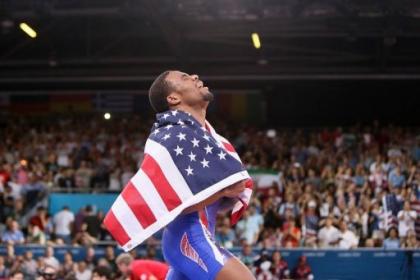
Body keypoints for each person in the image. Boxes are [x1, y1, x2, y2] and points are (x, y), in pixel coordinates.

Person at [148, 71, 255, 280]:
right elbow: (168, 207)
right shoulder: (172, 138)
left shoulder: (208, 138)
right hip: (188, 240)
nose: (195, 76)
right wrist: (223, 190)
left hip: (195, 238)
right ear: (173, 98)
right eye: (185, 77)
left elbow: (210, 204)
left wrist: (227, 196)